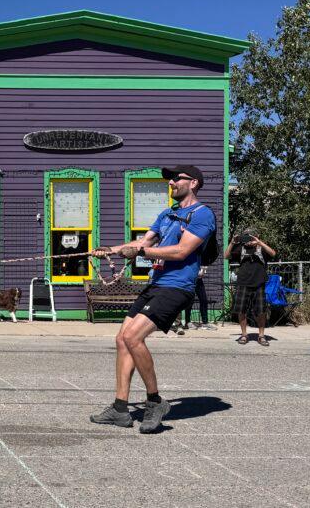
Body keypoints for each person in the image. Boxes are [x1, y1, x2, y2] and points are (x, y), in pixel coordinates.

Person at [88, 165, 216, 434]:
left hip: (177, 287)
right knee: (122, 339)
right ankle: (120, 409)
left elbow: (182, 251)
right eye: (169, 179)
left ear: (193, 183)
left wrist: (143, 250)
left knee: (134, 337)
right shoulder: (167, 214)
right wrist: (110, 249)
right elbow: (141, 243)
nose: (170, 182)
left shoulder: (202, 215)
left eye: (176, 179)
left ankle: (155, 401)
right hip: (156, 284)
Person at [226, 228, 276, 347]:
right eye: (246, 236)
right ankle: (244, 335)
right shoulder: (240, 248)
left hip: (259, 283)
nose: (248, 239)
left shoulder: (261, 248)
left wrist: (259, 242)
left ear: (256, 236)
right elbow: (226, 256)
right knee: (241, 310)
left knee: (261, 311)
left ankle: (261, 335)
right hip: (243, 283)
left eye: (251, 236)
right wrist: (233, 242)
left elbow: (273, 253)